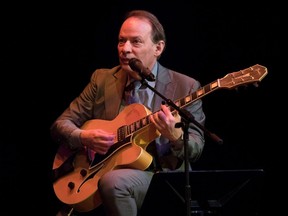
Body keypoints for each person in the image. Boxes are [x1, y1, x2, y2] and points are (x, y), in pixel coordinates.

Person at [51, 9, 206, 216]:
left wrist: (175, 136)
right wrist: (84, 137)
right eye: (121, 41)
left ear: (158, 48)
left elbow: (195, 149)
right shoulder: (102, 79)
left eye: (136, 42)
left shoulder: (185, 86)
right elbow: (61, 124)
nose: (125, 49)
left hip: (159, 175)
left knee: (114, 182)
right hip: (99, 170)